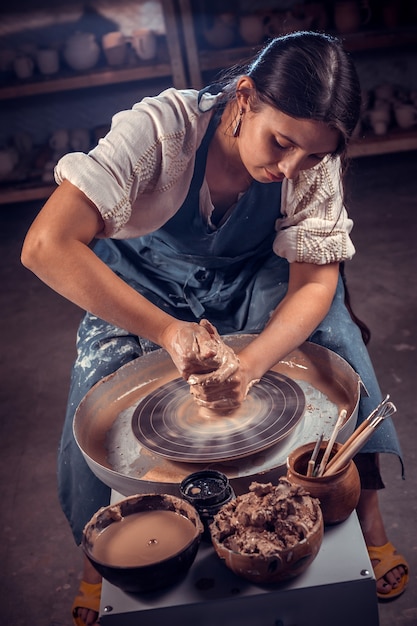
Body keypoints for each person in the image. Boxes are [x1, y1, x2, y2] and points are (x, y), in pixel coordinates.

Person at [21, 31, 408, 626]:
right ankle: (100, 564)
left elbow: (311, 282)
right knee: (100, 380)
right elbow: (45, 245)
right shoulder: (160, 131)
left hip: (254, 274)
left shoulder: (309, 160)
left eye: (310, 158)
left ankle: (365, 521)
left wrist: (251, 364)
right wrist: (170, 333)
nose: (289, 170)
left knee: (334, 339)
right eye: (280, 144)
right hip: (148, 284)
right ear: (245, 97)